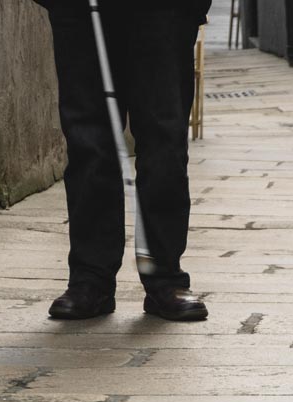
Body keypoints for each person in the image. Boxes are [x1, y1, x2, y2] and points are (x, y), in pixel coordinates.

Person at [33, 0, 213, 322]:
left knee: (164, 139)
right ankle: (91, 279)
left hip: (163, 10)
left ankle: (164, 277)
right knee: (88, 141)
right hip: (80, 9)